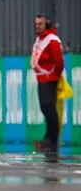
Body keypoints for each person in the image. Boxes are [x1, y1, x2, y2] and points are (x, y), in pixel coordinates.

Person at [31, 13, 65, 153]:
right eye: (36, 24)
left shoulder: (52, 40)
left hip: (50, 78)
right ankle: (48, 137)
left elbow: (59, 61)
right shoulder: (40, 39)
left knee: (49, 107)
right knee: (45, 108)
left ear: (47, 24)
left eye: (40, 24)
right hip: (42, 78)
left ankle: (52, 139)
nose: (37, 27)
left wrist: (55, 76)